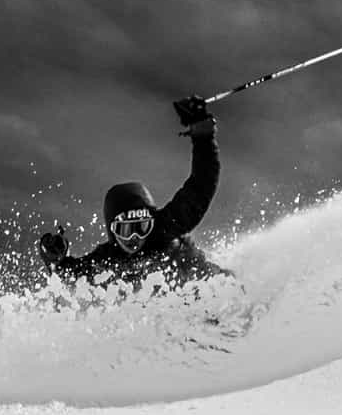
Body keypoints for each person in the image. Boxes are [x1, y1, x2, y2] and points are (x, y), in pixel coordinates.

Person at [37, 96, 225, 289]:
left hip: (211, 292)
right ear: (113, 231)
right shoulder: (108, 258)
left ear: (151, 222)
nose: (134, 238)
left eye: (142, 227)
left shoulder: (166, 228)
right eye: (126, 230)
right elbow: (71, 275)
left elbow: (201, 185)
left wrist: (202, 132)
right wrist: (54, 260)